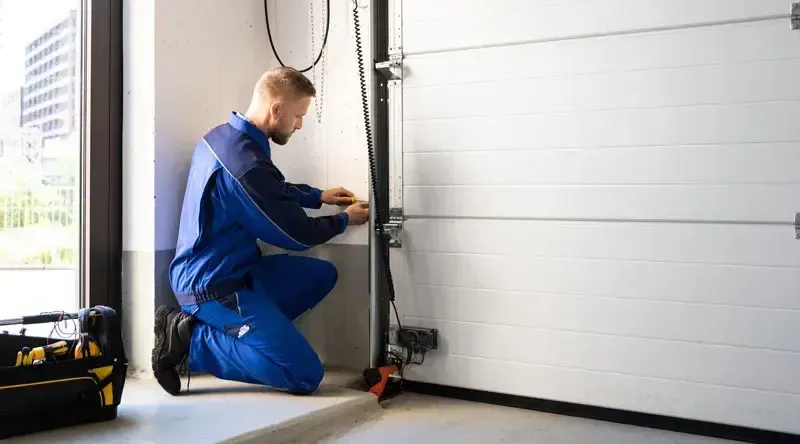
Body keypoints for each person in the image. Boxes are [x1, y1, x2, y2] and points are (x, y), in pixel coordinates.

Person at [151, 67, 370, 396]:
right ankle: (191, 341)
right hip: (212, 287)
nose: (299, 125)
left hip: (238, 270)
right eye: (298, 116)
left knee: (321, 274)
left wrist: (317, 196)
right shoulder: (244, 165)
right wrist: (342, 220)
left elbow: (269, 188)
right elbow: (296, 235)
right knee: (304, 375)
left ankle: (254, 337)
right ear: (276, 109)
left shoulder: (224, 138)